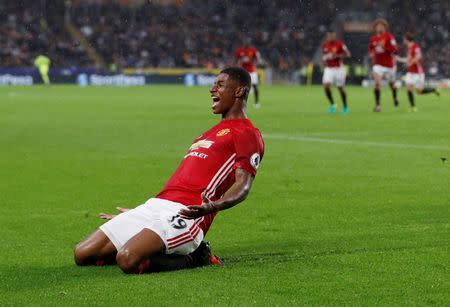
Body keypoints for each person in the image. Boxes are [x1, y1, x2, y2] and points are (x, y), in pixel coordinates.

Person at [74, 67, 265, 274]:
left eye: (219, 85)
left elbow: (243, 186)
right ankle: (149, 240)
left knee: (128, 260)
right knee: (83, 254)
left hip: (189, 212)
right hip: (156, 205)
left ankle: (197, 256)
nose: (212, 90)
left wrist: (211, 208)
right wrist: (139, 213)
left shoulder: (247, 133)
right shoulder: (207, 133)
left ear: (238, 91)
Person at [396, 32, 440, 112]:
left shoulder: (415, 46)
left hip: (418, 73)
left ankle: (433, 89)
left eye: (404, 39)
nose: (403, 40)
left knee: (419, 91)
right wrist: (398, 59)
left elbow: (419, 56)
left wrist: (410, 63)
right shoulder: (409, 48)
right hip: (411, 72)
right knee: (408, 88)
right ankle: (413, 107)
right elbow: (408, 59)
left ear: (407, 39)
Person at [368, 19, 399, 112]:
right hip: (378, 65)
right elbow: (370, 49)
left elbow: (395, 50)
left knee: (392, 85)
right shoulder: (373, 39)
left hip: (389, 65)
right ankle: (378, 105)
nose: (379, 28)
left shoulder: (389, 37)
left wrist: (385, 47)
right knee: (377, 83)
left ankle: (395, 97)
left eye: (381, 26)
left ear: (385, 27)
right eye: (378, 26)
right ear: (375, 28)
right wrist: (371, 53)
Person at [321, 30, 351, 115]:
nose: (330, 37)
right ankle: (332, 104)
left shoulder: (340, 44)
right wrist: (324, 60)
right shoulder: (325, 45)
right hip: (329, 68)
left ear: (334, 36)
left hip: (339, 69)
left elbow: (348, 54)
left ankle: (345, 107)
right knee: (326, 86)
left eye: (331, 36)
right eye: (328, 36)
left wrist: (337, 56)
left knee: (340, 88)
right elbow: (324, 56)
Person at [235, 44, 262, 108]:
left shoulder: (253, 50)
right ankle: (241, 103)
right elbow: (236, 58)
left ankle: (256, 102)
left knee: (255, 86)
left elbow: (258, 57)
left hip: (252, 71)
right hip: (243, 71)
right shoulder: (240, 50)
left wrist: (255, 62)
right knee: (241, 87)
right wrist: (238, 64)